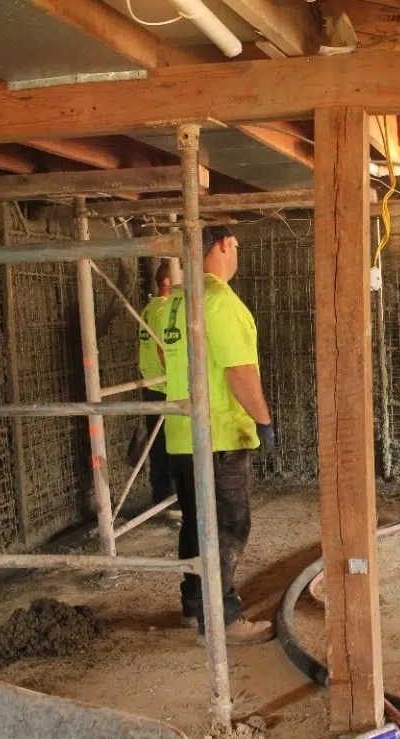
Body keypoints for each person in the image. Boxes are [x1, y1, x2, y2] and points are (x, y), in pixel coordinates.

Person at [162, 225, 276, 644]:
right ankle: (223, 620)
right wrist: (263, 420)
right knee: (228, 526)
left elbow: (162, 353)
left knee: (195, 523)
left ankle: (194, 607)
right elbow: (239, 373)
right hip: (221, 434)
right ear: (225, 244)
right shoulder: (221, 301)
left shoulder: (175, 301)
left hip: (181, 433)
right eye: (237, 245)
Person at [137, 260, 177, 516]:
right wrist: (177, 380)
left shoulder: (147, 309)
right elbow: (165, 349)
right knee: (171, 445)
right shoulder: (163, 310)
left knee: (159, 444)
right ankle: (169, 498)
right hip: (164, 385)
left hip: (152, 384)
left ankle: (161, 495)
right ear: (166, 281)